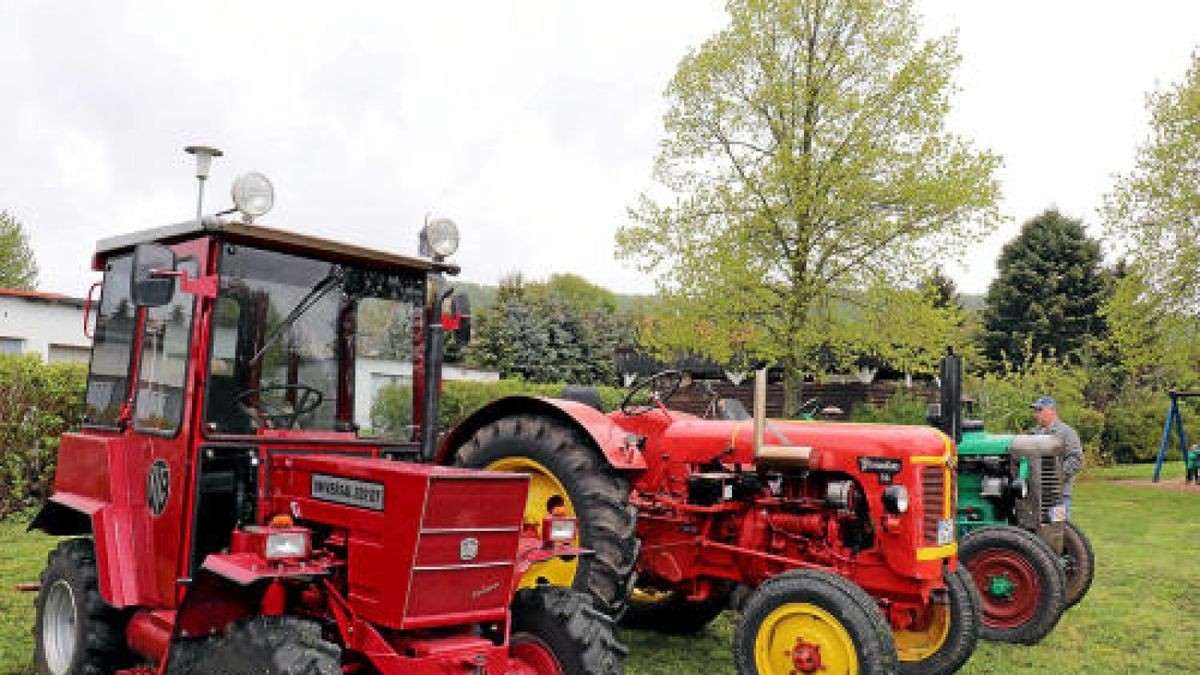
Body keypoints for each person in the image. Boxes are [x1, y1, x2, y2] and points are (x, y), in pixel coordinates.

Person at [1030, 396, 1084, 518]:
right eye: (1035, 411)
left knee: (1058, 529)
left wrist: (1054, 477)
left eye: (1039, 410)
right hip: (1036, 495)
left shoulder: (1067, 432)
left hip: (1058, 496)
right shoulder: (1033, 433)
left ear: (1052, 411)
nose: (1036, 414)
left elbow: (1077, 459)